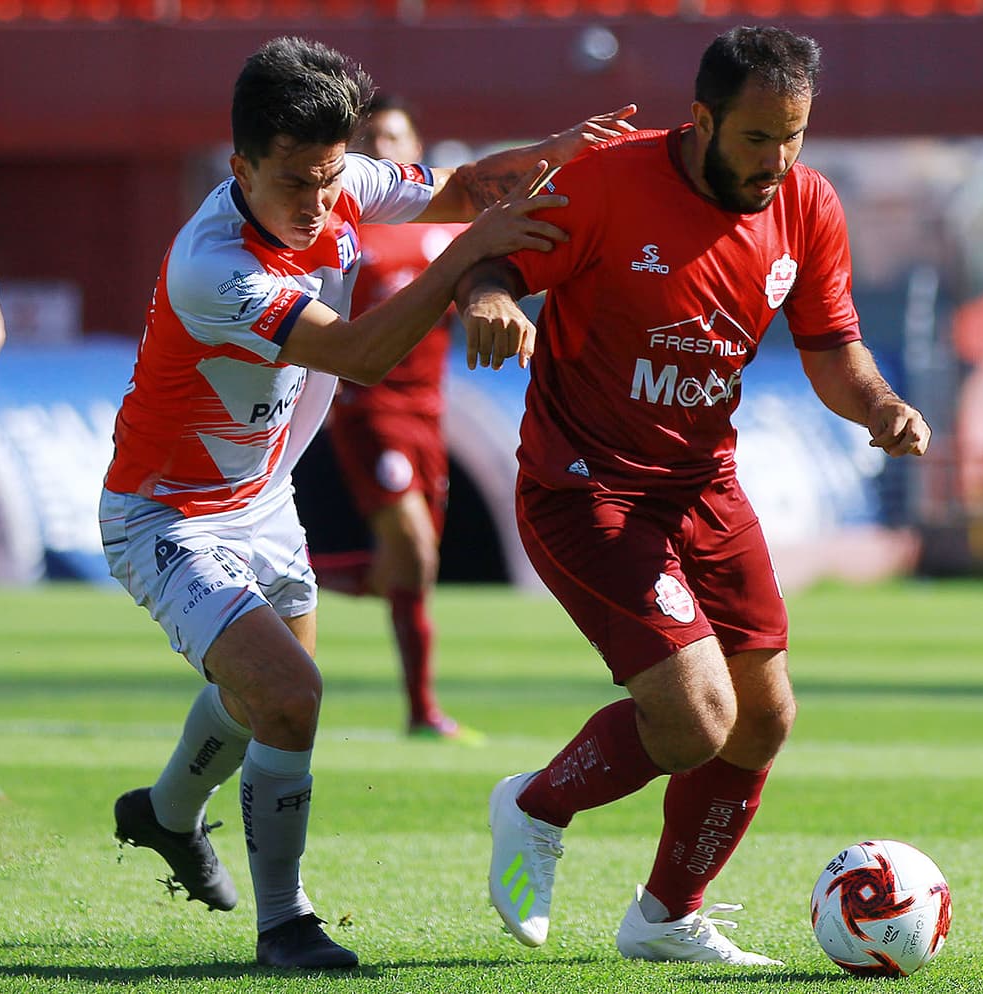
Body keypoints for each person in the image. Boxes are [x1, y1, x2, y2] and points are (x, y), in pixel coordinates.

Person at [99, 35, 635, 970]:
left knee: (261, 700)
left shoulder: (338, 176)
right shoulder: (213, 266)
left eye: (328, 177)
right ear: (240, 166)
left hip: (261, 498)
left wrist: (552, 151)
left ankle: (165, 814)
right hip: (167, 515)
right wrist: (468, 258)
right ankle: (285, 926)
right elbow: (360, 355)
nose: (317, 203)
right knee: (294, 696)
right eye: (295, 184)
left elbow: (457, 188)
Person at [457, 25, 930, 966]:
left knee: (763, 717)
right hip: (585, 486)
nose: (777, 160)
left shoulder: (805, 204)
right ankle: (535, 806)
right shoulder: (607, 181)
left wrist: (879, 407)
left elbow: (833, 352)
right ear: (703, 119)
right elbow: (493, 256)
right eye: (757, 138)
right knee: (693, 719)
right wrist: (493, 301)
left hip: (703, 486)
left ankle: (667, 918)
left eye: (794, 137)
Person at [319, 94, 476, 741]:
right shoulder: (341, 229)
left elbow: (491, 283)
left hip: (428, 414)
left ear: (417, 150)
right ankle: (423, 712)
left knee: (409, 569)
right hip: (368, 408)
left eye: (394, 138)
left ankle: (287, 568)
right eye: (371, 140)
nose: (383, 149)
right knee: (411, 548)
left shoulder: (449, 231)